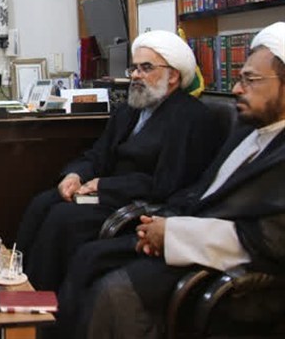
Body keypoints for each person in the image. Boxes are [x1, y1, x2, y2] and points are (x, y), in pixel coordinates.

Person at [56, 21, 285, 339]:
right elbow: (202, 191)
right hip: (188, 232)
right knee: (88, 256)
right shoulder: (250, 131)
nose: (236, 89)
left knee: (115, 292)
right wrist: (162, 223)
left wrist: (173, 233)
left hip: (233, 273)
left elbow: (270, 239)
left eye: (251, 80)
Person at [15, 30, 223, 292]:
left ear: (173, 76)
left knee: (63, 218)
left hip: (137, 205)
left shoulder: (190, 118)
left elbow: (168, 184)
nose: (135, 75)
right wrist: (76, 175)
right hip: (104, 195)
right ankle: (15, 285)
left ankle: (41, 302)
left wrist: (103, 186)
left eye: (146, 68)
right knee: (42, 203)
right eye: (134, 68)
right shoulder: (129, 109)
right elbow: (98, 154)